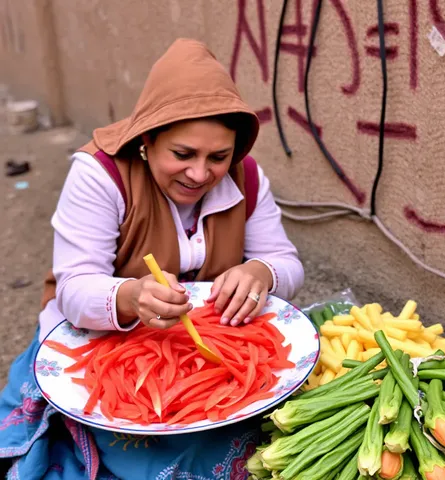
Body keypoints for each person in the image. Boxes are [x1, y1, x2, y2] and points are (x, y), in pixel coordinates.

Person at [0, 38, 304, 479]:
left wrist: (261, 271)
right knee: (135, 443)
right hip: (106, 343)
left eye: (218, 157)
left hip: (209, 343)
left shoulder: (248, 176)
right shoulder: (98, 174)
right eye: (182, 155)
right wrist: (130, 295)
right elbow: (73, 288)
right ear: (146, 140)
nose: (200, 174)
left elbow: (287, 263)